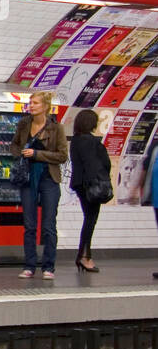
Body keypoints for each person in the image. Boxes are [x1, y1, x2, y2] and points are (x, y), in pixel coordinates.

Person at [13, 90, 68, 280]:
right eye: (30, 102)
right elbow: (13, 146)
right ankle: (29, 265)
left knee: (48, 225)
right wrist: (21, 152)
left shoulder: (56, 128)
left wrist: (37, 155)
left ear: (45, 106)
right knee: (29, 224)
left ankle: (48, 266)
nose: (31, 105)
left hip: (48, 178)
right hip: (28, 177)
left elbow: (62, 156)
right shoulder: (23, 124)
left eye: (35, 102)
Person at [68, 108, 111, 274]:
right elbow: (103, 163)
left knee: (88, 219)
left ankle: (83, 255)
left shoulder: (76, 141)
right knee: (90, 221)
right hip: (92, 185)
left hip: (79, 184)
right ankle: (85, 257)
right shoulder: (92, 142)